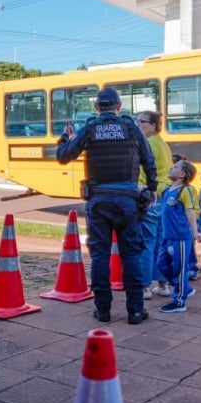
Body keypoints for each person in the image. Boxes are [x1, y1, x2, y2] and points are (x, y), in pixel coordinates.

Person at [57, 88, 158, 325]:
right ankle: (135, 311)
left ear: (96, 107)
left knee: (100, 255)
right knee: (131, 254)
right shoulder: (131, 127)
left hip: (98, 200)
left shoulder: (89, 128)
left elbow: (63, 156)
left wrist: (64, 138)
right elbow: (148, 159)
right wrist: (152, 187)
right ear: (118, 106)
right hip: (127, 201)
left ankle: (102, 310)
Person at [157, 159, 201, 313]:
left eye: (175, 167)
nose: (171, 167)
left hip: (181, 237)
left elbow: (190, 212)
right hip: (167, 237)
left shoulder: (185, 191)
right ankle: (185, 288)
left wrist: (195, 233)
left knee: (180, 269)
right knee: (161, 264)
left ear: (182, 174)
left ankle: (179, 301)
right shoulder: (167, 190)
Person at [136, 110, 173, 299]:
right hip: (164, 198)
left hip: (151, 198)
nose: (137, 124)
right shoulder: (162, 143)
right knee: (160, 242)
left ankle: (144, 288)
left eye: (141, 121)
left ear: (152, 125)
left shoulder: (147, 143)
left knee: (146, 243)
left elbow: (141, 173)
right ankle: (163, 284)